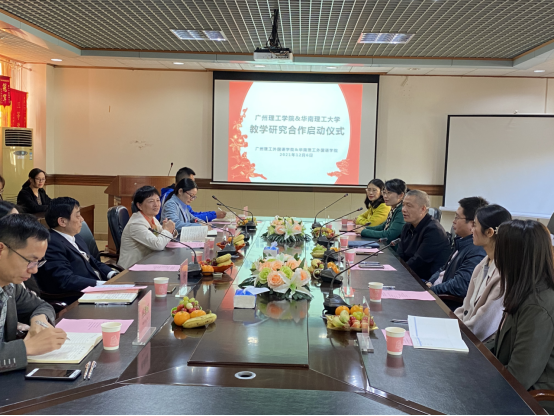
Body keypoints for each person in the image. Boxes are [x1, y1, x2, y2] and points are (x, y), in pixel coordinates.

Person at [486, 220, 554, 413]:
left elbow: (519, 377)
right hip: (513, 388)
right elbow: (500, 341)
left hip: (532, 400)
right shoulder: (526, 289)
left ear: (512, 256)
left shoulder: (537, 307)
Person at [0, 214, 68, 373]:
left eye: (38, 262)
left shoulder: (10, 286)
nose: (34, 270)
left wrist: (39, 319)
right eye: (30, 261)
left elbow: (41, 306)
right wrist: (26, 348)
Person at [34, 198, 119, 304]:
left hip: (98, 288)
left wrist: (112, 274)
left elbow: (92, 260)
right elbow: (65, 280)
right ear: (62, 221)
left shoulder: (75, 236)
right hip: (80, 296)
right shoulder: (52, 244)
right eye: (78, 216)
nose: (82, 219)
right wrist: (101, 285)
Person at [454, 204, 512, 342]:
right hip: (464, 333)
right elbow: (465, 307)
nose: (471, 230)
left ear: (490, 232)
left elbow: (481, 327)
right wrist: (449, 323)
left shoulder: (504, 274)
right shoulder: (482, 264)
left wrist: (451, 331)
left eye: (475, 225)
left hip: (479, 345)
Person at [428, 197, 489, 298]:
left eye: (457, 217)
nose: (453, 221)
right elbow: (443, 269)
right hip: (436, 291)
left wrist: (431, 290)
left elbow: (460, 286)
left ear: (473, 223)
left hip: (444, 301)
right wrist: (430, 282)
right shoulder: (462, 242)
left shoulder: (477, 250)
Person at [397, 190, 451, 281]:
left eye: (409, 206)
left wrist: (396, 272)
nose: (403, 209)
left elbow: (418, 261)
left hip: (426, 281)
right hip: (409, 274)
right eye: (403, 205)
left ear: (423, 209)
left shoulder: (434, 230)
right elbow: (400, 255)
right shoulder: (407, 226)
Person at [118, 186, 176, 270]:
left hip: (147, 263)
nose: (156, 205)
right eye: (151, 201)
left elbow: (163, 236)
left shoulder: (151, 218)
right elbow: (158, 245)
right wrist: (167, 230)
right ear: (139, 205)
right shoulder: (136, 224)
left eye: (158, 200)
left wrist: (170, 230)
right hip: (131, 270)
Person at [159, 167, 225, 222]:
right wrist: (213, 215)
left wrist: (202, 222)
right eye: (190, 182)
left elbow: (192, 217)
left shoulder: (182, 201)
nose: (192, 184)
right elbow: (176, 224)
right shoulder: (170, 201)